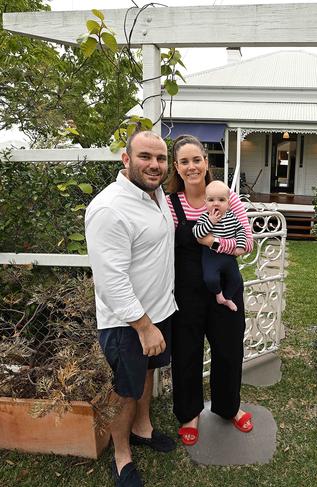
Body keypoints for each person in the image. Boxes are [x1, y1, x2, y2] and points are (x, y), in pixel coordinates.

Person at [85, 130, 177, 487]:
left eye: (160, 158)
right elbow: (111, 280)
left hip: (158, 313)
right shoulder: (109, 208)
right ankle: (121, 455)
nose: (154, 165)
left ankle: (143, 428)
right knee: (125, 390)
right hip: (128, 323)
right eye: (145, 157)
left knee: (147, 375)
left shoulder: (157, 195)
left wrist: (156, 319)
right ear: (126, 160)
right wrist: (142, 326)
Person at [166, 135, 254, 447]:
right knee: (187, 353)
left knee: (229, 350)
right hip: (186, 292)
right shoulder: (170, 203)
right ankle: (189, 413)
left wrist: (214, 242)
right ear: (177, 167)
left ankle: (229, 406)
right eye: (184, 162)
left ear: (206, 162)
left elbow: (247, 244)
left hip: (225, 288)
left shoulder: (229, 199)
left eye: (197, 160)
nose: (192, 167)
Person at [192, 180, 248, 312]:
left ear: (228, 204)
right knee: (210, 278)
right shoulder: (205, 217)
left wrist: (240, 245)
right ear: (205, 203)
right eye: (211, 200)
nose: (216, 203)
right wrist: (210, 222)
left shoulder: (232, 217)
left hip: (228, 257)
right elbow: (197, 233)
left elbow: (241, 230)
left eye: (221, 200)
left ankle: (227, 297)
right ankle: (218, 294)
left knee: (236, 279)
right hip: (211, 256)